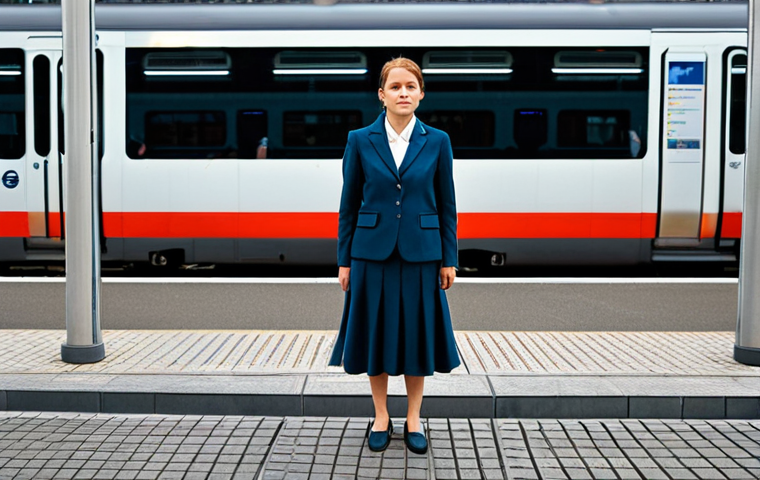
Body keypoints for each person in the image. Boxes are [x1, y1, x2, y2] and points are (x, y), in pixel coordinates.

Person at [328, 57, 460, 455]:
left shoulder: (437, 140)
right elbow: (349, 204)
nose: (404, 93)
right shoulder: (359, 139)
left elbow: (448, 204)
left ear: (421, 94)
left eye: (411, 86)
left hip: (423, 253)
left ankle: (415, 419)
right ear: (382, 95)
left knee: (417, 337)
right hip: (371, 254)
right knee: (377, 335)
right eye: (396, 87)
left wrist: (449, 258)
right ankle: (382, 416)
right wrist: (345, 259)